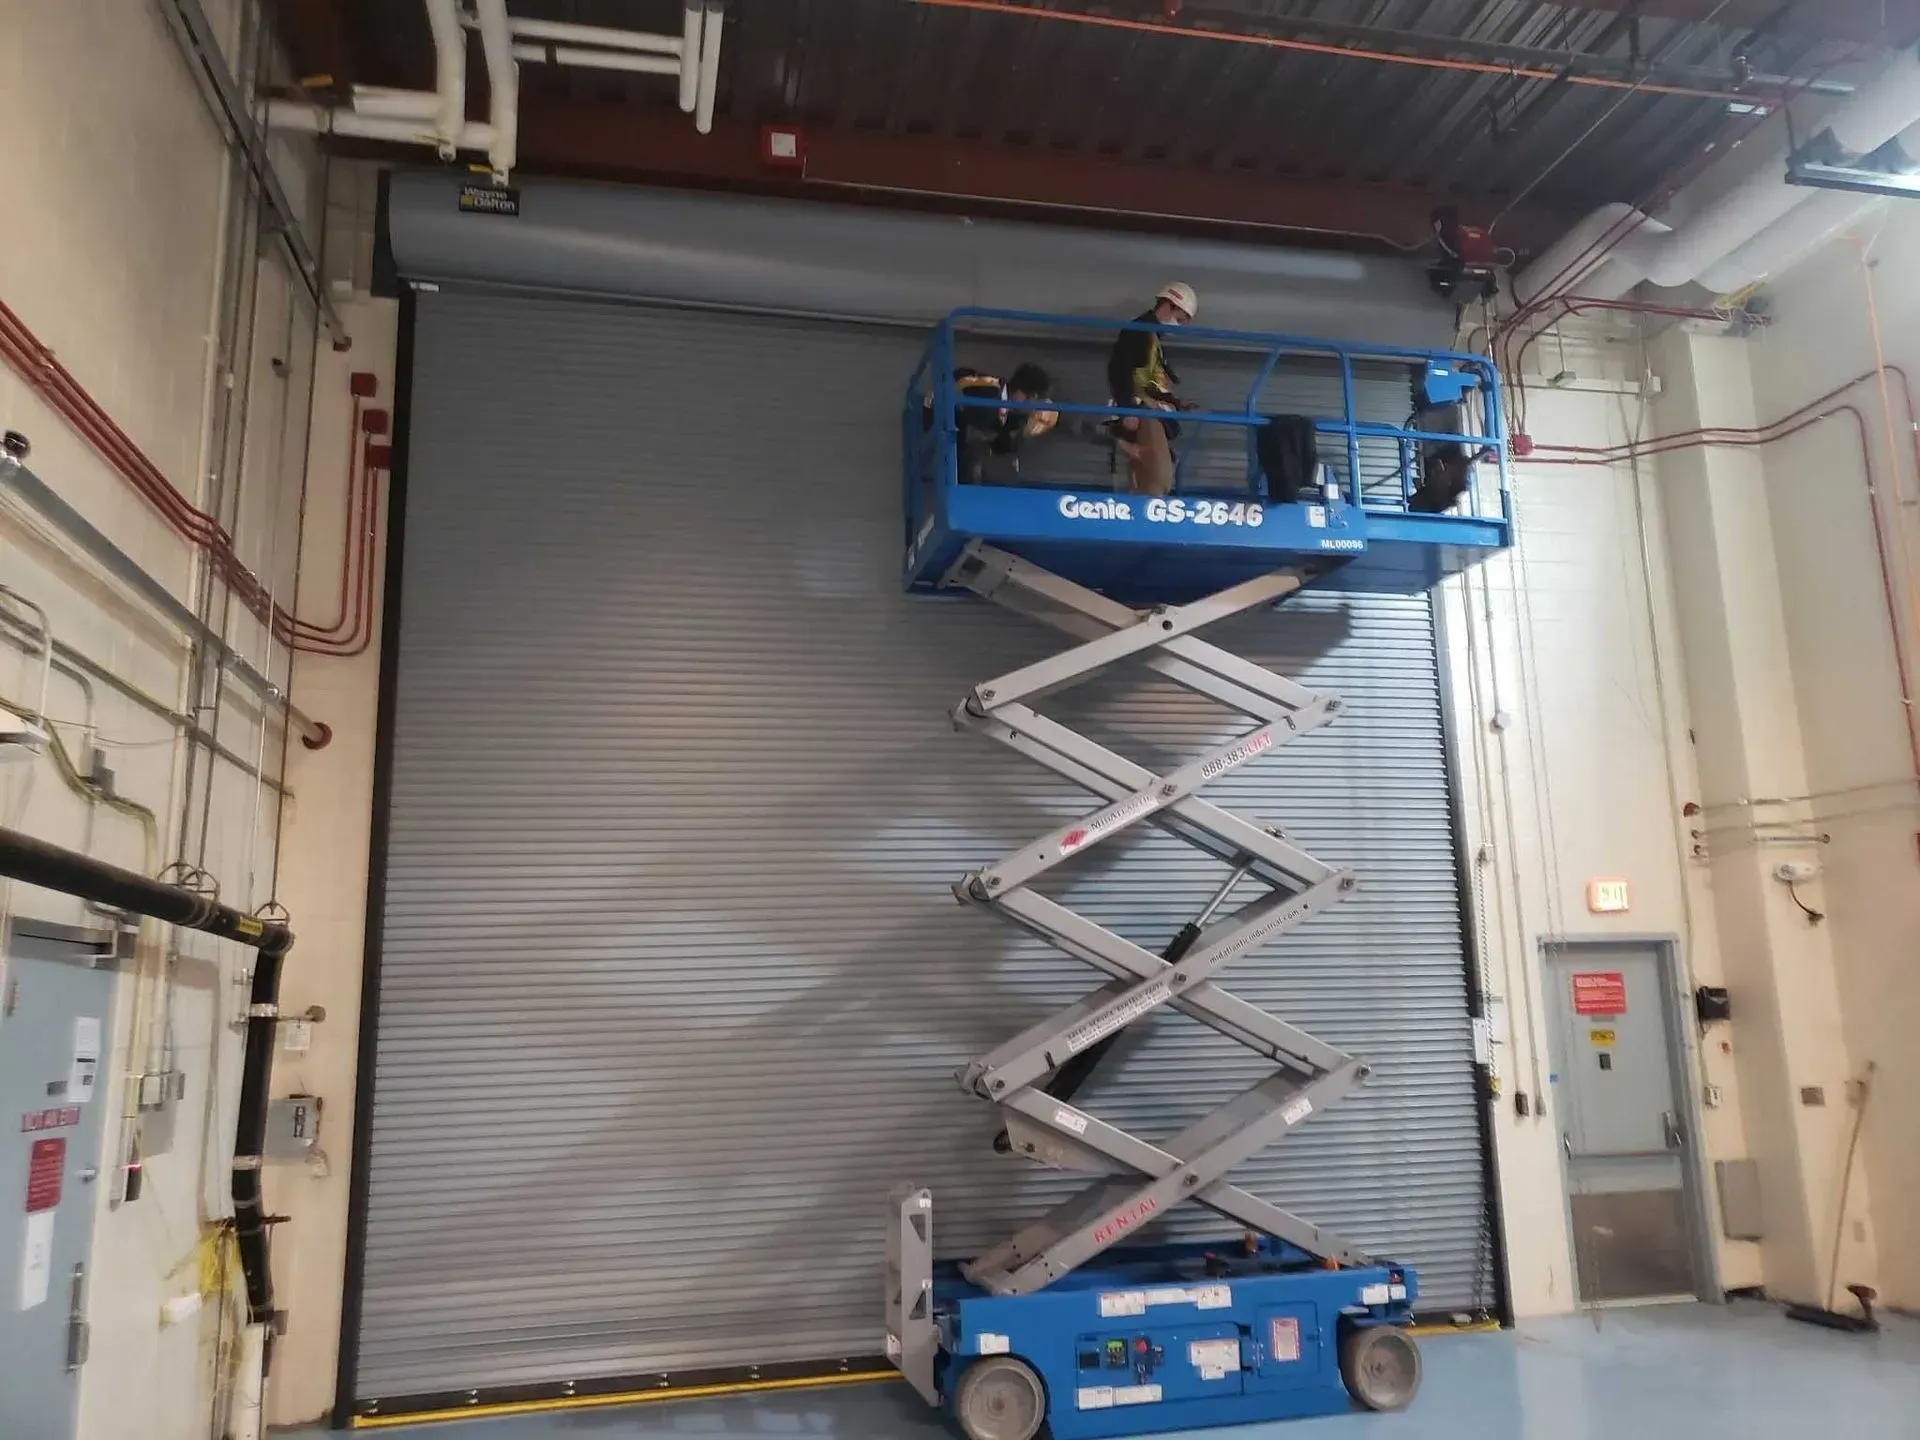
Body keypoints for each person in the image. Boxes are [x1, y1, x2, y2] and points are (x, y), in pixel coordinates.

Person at [1106, 283, 1197, 497]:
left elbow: (1149, 381)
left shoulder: (1151, 337)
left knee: (1146, 475)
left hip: (1147, 409)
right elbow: (1119, 371)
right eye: (1180, 319)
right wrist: (1128, 409)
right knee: (1159, 477)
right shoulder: (1139, 332)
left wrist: (1177, 403)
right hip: (1142, 410)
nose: (1179, 325)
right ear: (1170, 305)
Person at [931, 363, 1056, 483]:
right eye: (1037, 404)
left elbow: (1002, 443)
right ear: (1030, 396)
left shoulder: (1012, 415)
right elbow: (955, 379)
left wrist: (1023, 433)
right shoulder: (987, 390)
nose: (1034, 411)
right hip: (936, 429)